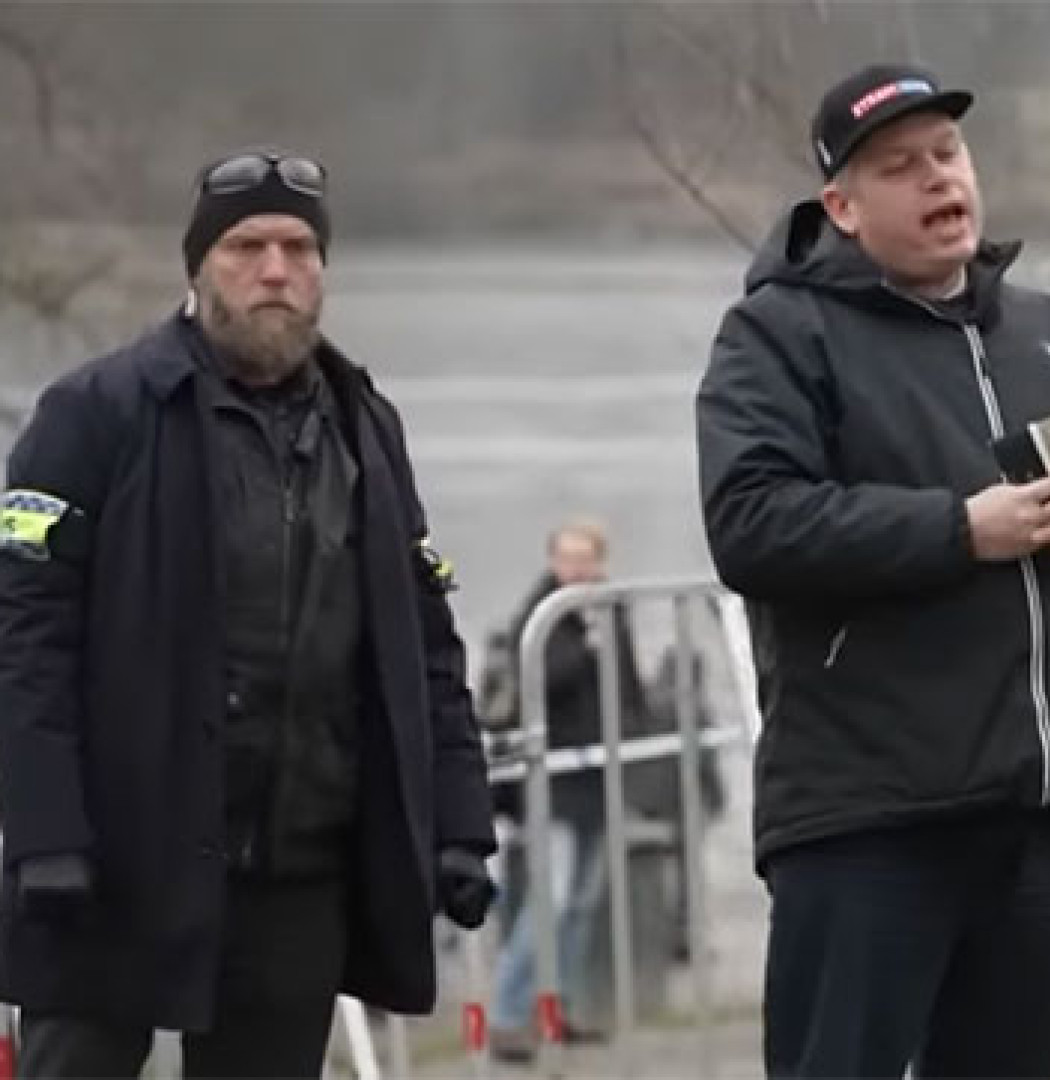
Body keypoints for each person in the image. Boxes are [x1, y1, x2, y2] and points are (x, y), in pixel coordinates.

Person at [696, 62, 1050, 1079]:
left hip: (1036, 814)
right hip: (866, 818)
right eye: (900, 166)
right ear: (842, 206)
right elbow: (752, 523)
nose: (939, 178)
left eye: (948, 153)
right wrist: (958, 531)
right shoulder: (782, 335)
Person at [0, 148, 497, 1079]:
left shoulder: (364, 426)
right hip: (119, 855)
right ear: (198, 266)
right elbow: (27, 642)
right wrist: (44, 832)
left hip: (294, 870)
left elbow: (424, 642)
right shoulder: (95, 414)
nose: (276, 270)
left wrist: (461, 819)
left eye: (299, 248)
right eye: (246, 247)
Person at [488, 519, 640, 1062]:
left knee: (581, 904)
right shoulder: (541, 616)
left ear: (601, 561)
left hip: (598, 776)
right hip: (553, 780)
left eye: (586, 557)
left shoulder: (611, 609)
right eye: (567, 557)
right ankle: (506, 1016)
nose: (576, 568)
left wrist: (634, 739)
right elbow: (540, 681)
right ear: (553, 561)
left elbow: (629, 686)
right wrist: (586, 642)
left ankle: (558, 1013)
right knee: (549, 902)